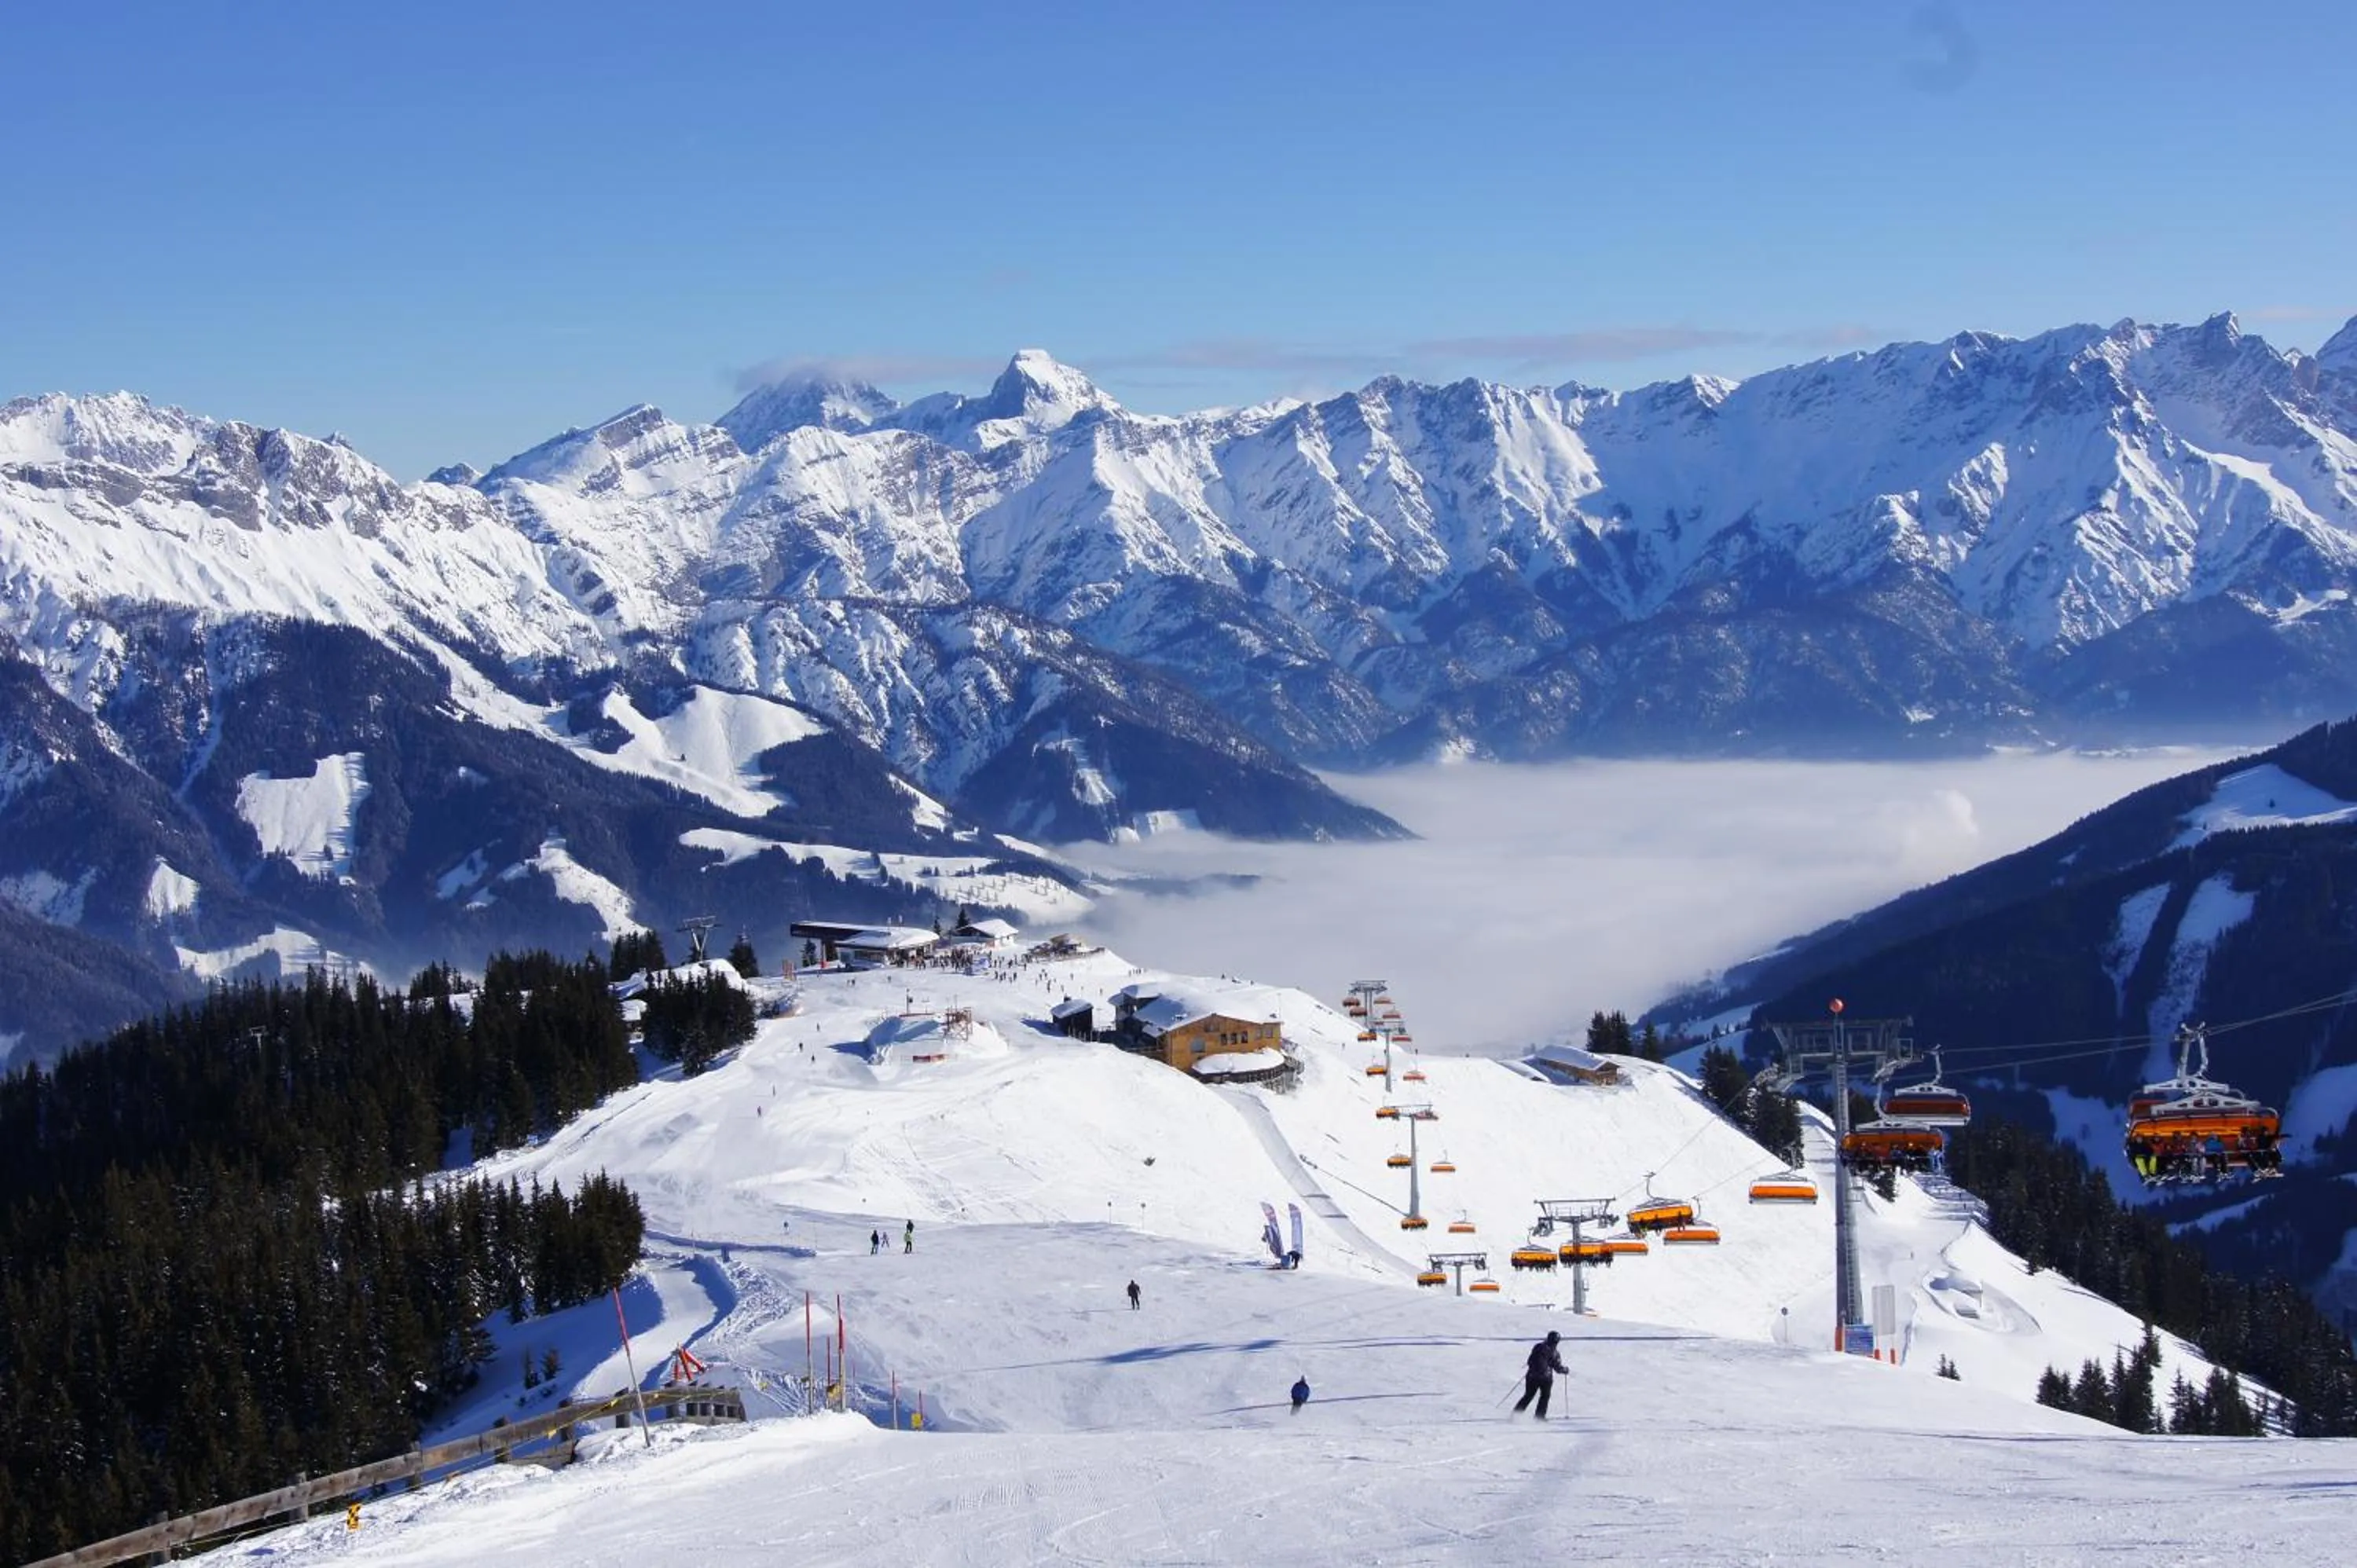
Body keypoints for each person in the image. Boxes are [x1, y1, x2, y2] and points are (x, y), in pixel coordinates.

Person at [1514, 1330, 1567, 1418]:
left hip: (1532, 1376)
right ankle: (1539, 1417)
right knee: (1544, 1397)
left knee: (1528, 1395)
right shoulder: (1555, 1353)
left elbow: (1530, 1361)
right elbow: (1557, 1367)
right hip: (1546, 1378)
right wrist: (1565, 1370)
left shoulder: (1538, 1347)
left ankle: (1516, 1415)